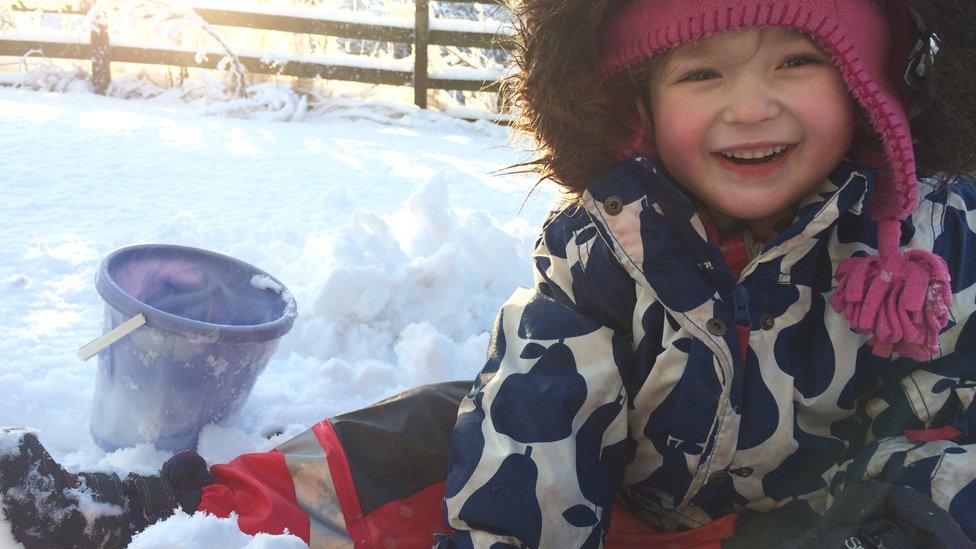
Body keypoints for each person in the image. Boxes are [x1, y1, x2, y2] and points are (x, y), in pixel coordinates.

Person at [3, 0, 976, 547]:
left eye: (795, 61)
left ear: (868, 88)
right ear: (639, 111)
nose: (749, 107)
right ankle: (165, 510)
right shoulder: (612, 250)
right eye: (702, 74)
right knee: (445, 424)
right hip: (624, 512)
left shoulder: (931, 253)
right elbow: (535, 421)